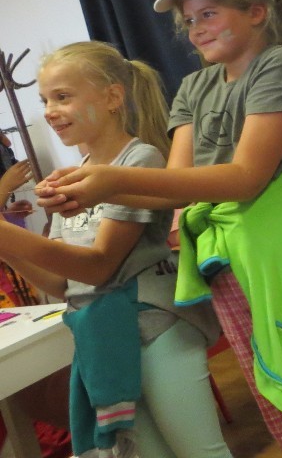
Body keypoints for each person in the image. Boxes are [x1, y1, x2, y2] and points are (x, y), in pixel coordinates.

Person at [37, 0, 282, 458]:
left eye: (209, 13)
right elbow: (179, 185)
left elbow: (246, 178)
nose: (197, 29)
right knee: (270, 385)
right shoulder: (195, 85)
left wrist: (109, 181)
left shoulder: (280, 64)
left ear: (256, 11)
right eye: (189, 20)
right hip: (221, 254)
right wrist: (89, 191)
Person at [0, 41, 231, 458]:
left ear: (112, 97)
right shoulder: (73, 176)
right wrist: (8, 248)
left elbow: (99, 266)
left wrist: (9, 236)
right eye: (45, 100)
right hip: (106, 339)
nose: (49, 110)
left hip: (156, 330)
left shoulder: (138, 162)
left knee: (200, 450)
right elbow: (63, 283)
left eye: (62, 96)